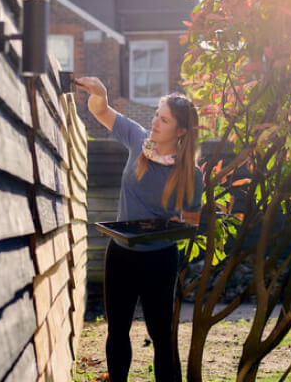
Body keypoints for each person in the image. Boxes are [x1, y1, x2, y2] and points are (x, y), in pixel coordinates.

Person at [75, 76, 203, 382]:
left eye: (165, 120)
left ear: (181, 130)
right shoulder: (137, 138)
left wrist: (173, 225)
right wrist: (100, 94)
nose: (156, 123)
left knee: (161, 335)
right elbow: (102, 111)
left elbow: (192, 221)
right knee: (117, 329)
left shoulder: (190, 174)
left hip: (160, 259)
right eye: (158, 116)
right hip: (120, 254)